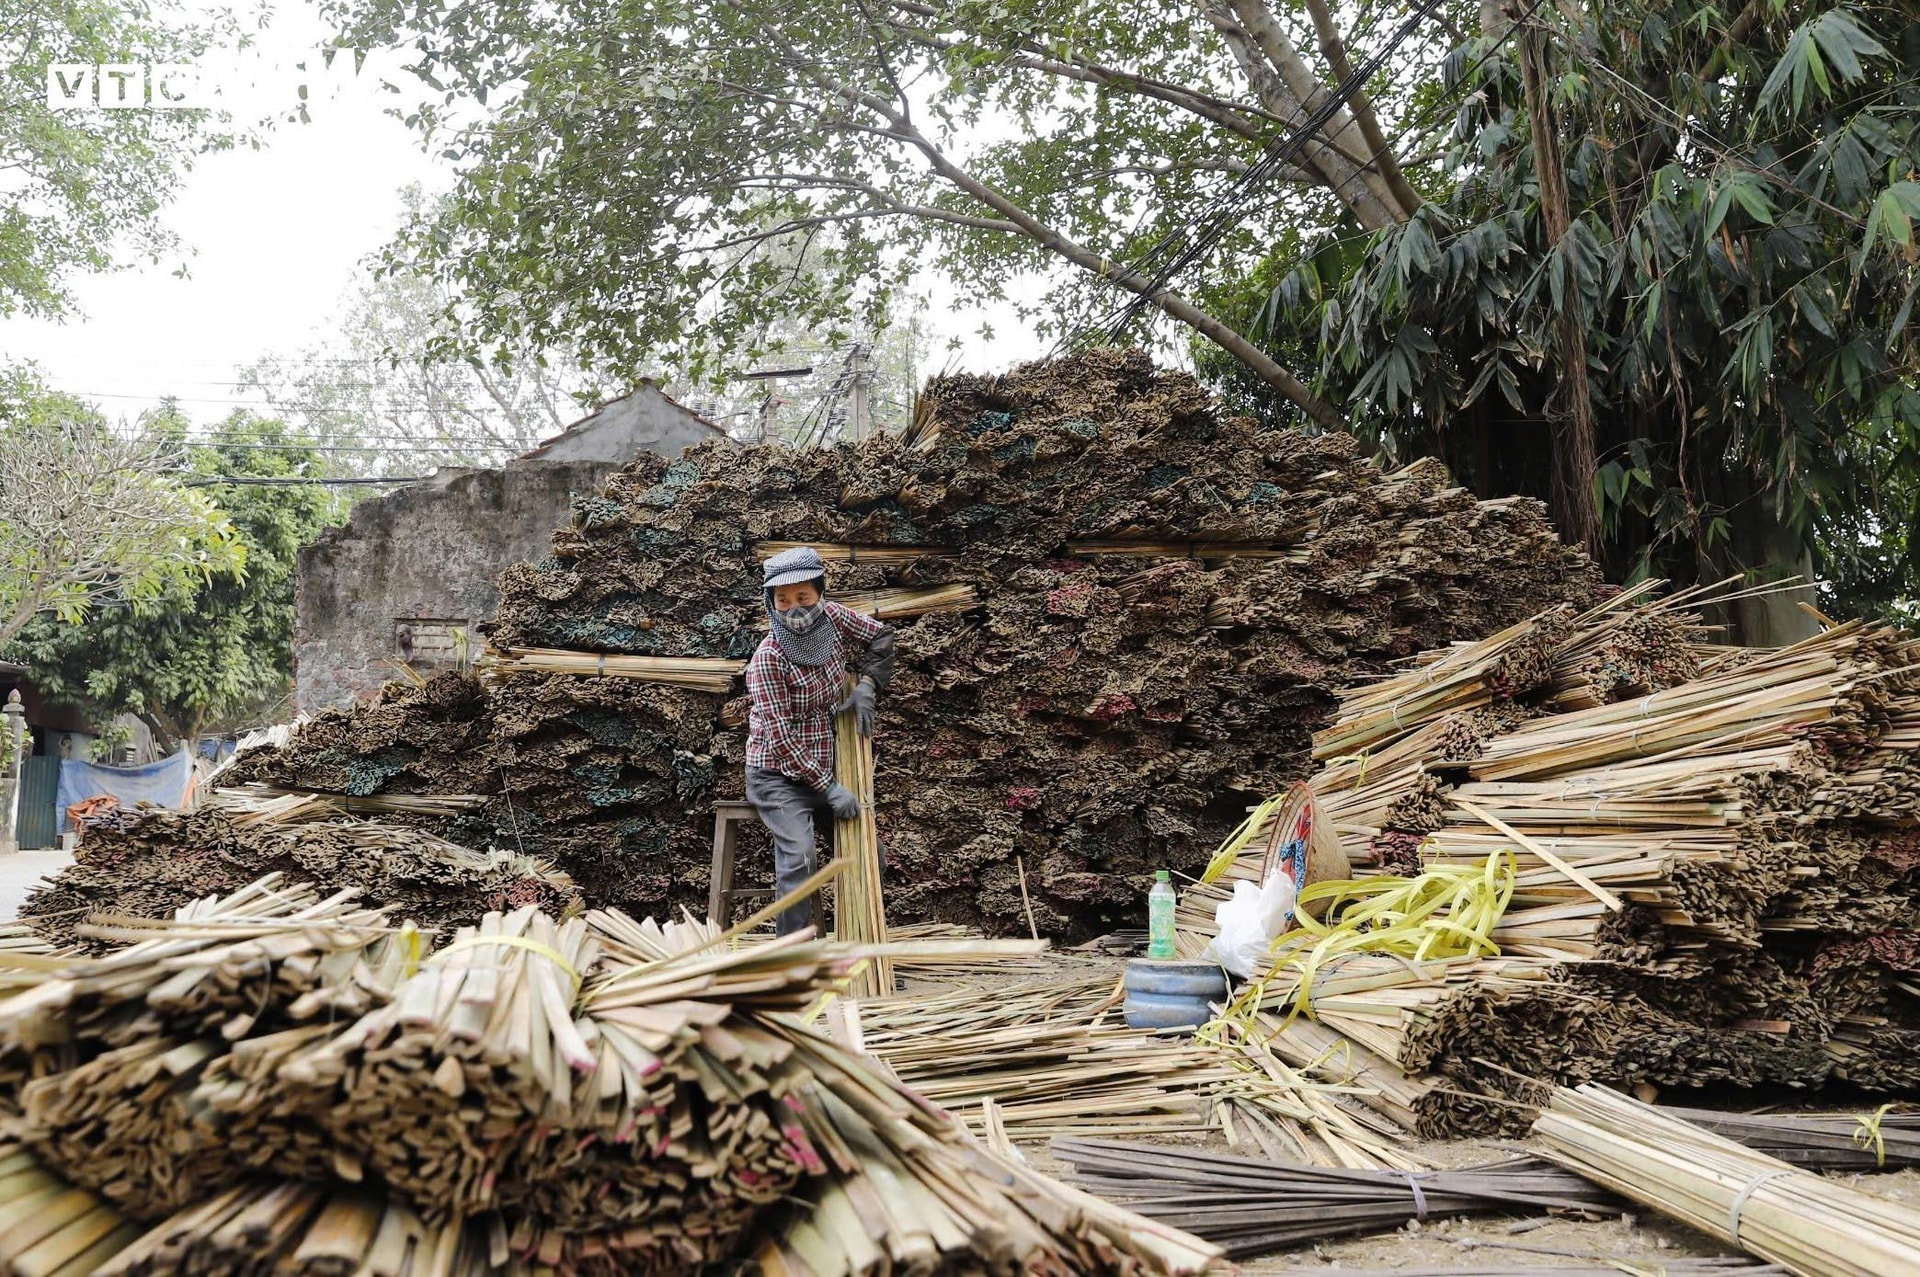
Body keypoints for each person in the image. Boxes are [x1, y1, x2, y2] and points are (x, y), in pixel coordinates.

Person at [744, 545, 895, 935]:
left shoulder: (833, 619)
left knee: (869, 853)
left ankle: (862, 951)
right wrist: (828, 788)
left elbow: (881, 637)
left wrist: (868, 684)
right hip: (777, 776)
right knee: (799, 859)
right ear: (771, 602)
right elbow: (781, 737)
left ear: (820, 593)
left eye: (803, 597)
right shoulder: (768, 658)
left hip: (827, 767)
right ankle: (789, 962)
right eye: (783, 600)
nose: (794, 608)